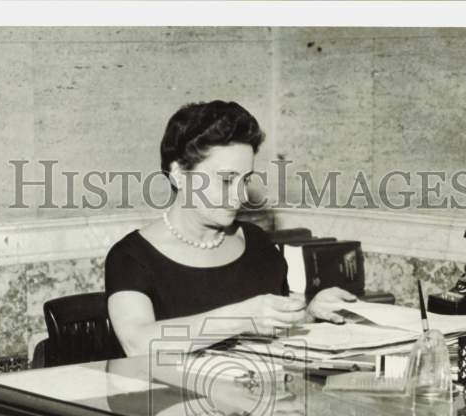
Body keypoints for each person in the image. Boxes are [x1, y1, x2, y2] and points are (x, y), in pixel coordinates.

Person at [105, 100, 355, 357]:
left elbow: (272, 336)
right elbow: (137, 342)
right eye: (226, 179)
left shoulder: (258, 244)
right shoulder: (132, 257)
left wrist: (309, 314)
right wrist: (241, 317)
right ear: (179, 174)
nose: (241, 195)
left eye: (245, 179)